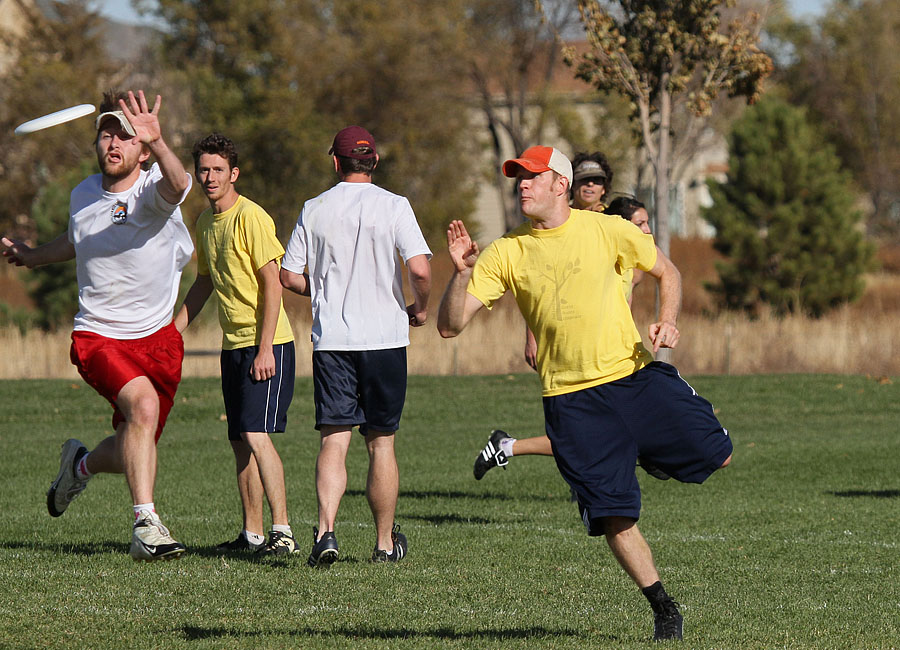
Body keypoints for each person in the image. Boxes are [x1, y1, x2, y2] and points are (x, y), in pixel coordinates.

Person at [437, 145, 733, 641]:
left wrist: (668, 320)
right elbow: (449, 326)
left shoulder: (608, 228)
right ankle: (663, 606)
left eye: (531, 177)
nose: (521, 186)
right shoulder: (507, 250)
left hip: (634, 379)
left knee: (720, 455)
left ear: (560, 183)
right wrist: (461, 274)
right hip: (571, 402)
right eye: (517, 179)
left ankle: (648, 453)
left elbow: (669, 273)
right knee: (613, 516)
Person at [1, 90, 193, 562]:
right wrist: (31, 257)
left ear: (142, 150)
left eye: (125, 137)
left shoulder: (151, 191)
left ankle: (79, 466)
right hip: (99, 336)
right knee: (142, 409)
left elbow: (179, 184)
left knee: (135, 435)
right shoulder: (82, 193)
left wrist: (161, 142)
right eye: (106, 134)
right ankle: (146, 525)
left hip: (156, 339)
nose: (113, 143)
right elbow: (75, 241)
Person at [280, 126, 432, 567]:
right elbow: (420, 270)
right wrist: (419, 308)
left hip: (334, 343)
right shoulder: (395, 206)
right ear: (375, 161)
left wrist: (326, 288)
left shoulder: (315, 208)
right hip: (386, 338)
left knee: (334, 438)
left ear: (335, 162)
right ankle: (385, 544)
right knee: (381, 443)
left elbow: (290, 276)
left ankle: (326, 531)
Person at [174, 133, 298, 555]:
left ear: (234, 174)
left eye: (218, 170)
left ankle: (283, 533)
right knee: (239, 441)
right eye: (204, 170)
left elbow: (273, 284)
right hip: (233, 347)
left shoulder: (252, 218)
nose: (210, 177)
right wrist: (173, 333)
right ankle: (253, 535)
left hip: (269, 344)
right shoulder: (205, 225)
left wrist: (265, 349)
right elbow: (204, 283)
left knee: (256, 433)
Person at [474, 194, 656, 481]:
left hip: (616, 364)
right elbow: (546, 300)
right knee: (589, 439)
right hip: (584, 369)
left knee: (596, 439)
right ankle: (508, 447)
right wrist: (532, 335)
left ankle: (508, 446)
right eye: (640, 224)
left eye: (647, 223)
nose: (646, 231)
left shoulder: (630, 265)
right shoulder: (608, 255)